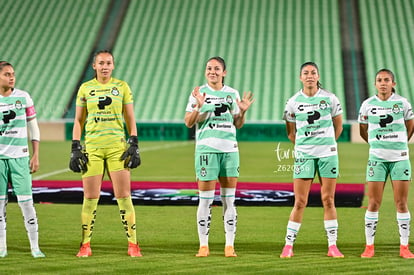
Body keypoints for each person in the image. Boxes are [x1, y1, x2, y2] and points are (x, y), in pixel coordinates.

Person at [70, 50, 142, 257]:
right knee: (90, 198)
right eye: (101, 63)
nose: (104, 66)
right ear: (94, 66)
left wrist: (134, 142)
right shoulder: (85, 88)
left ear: (113, 66)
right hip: (92, 148)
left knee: (124, 196)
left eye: (108, 63)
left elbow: (130, 118)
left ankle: (133, 245)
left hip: (117, 149)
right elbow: (78, 120)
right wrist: (75, 146)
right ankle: (85, 245)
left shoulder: (122, 87)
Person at [184, 56, 254, 257]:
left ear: (224, 72)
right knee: (205, 200)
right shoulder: (199, 93)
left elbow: (238, 124)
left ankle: (229, 245)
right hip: (206, 149)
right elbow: (188, 122)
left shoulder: (232, 93)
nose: (212, 71)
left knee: (229, 200)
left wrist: (242, 113)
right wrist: (198, 106)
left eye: (216, 68)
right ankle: (203, 245)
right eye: (209, 68)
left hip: (230, 150)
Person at [280, 62, 344, 258]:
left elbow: (338, 127)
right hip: (304, 155)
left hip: (328, 154)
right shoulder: (292, 102)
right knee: (300, 201)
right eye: (306, 73)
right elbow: (291, 133)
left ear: (318, 76)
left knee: (328, 199)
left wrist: (326, 145)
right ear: (300, 77)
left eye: (313, 73)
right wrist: (305, 147)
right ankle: (288, 246)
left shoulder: (330, 99)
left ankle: (332, 246)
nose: (309, 76)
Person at [358, 69, 414, 258]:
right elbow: (363, 130)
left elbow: (410, 125)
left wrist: (399, 144)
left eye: (387, 80)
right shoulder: (367, 105)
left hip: (400, 158)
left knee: (401, 203)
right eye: (379, 80)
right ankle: (369, 247)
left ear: (393, 83)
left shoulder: (402, 103)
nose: (383, 83)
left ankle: (404, 247)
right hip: (377, 159)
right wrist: (377, 146)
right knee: (373, 203)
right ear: (375, 84)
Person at [0, 61, 45, 258]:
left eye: (13, 74)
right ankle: (2, 248)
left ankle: (35, 247)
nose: (12, 77)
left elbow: (33, 127)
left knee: (26, 203)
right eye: (7, 74)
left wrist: (36, 154)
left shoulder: (23, 97)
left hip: (20, 157)